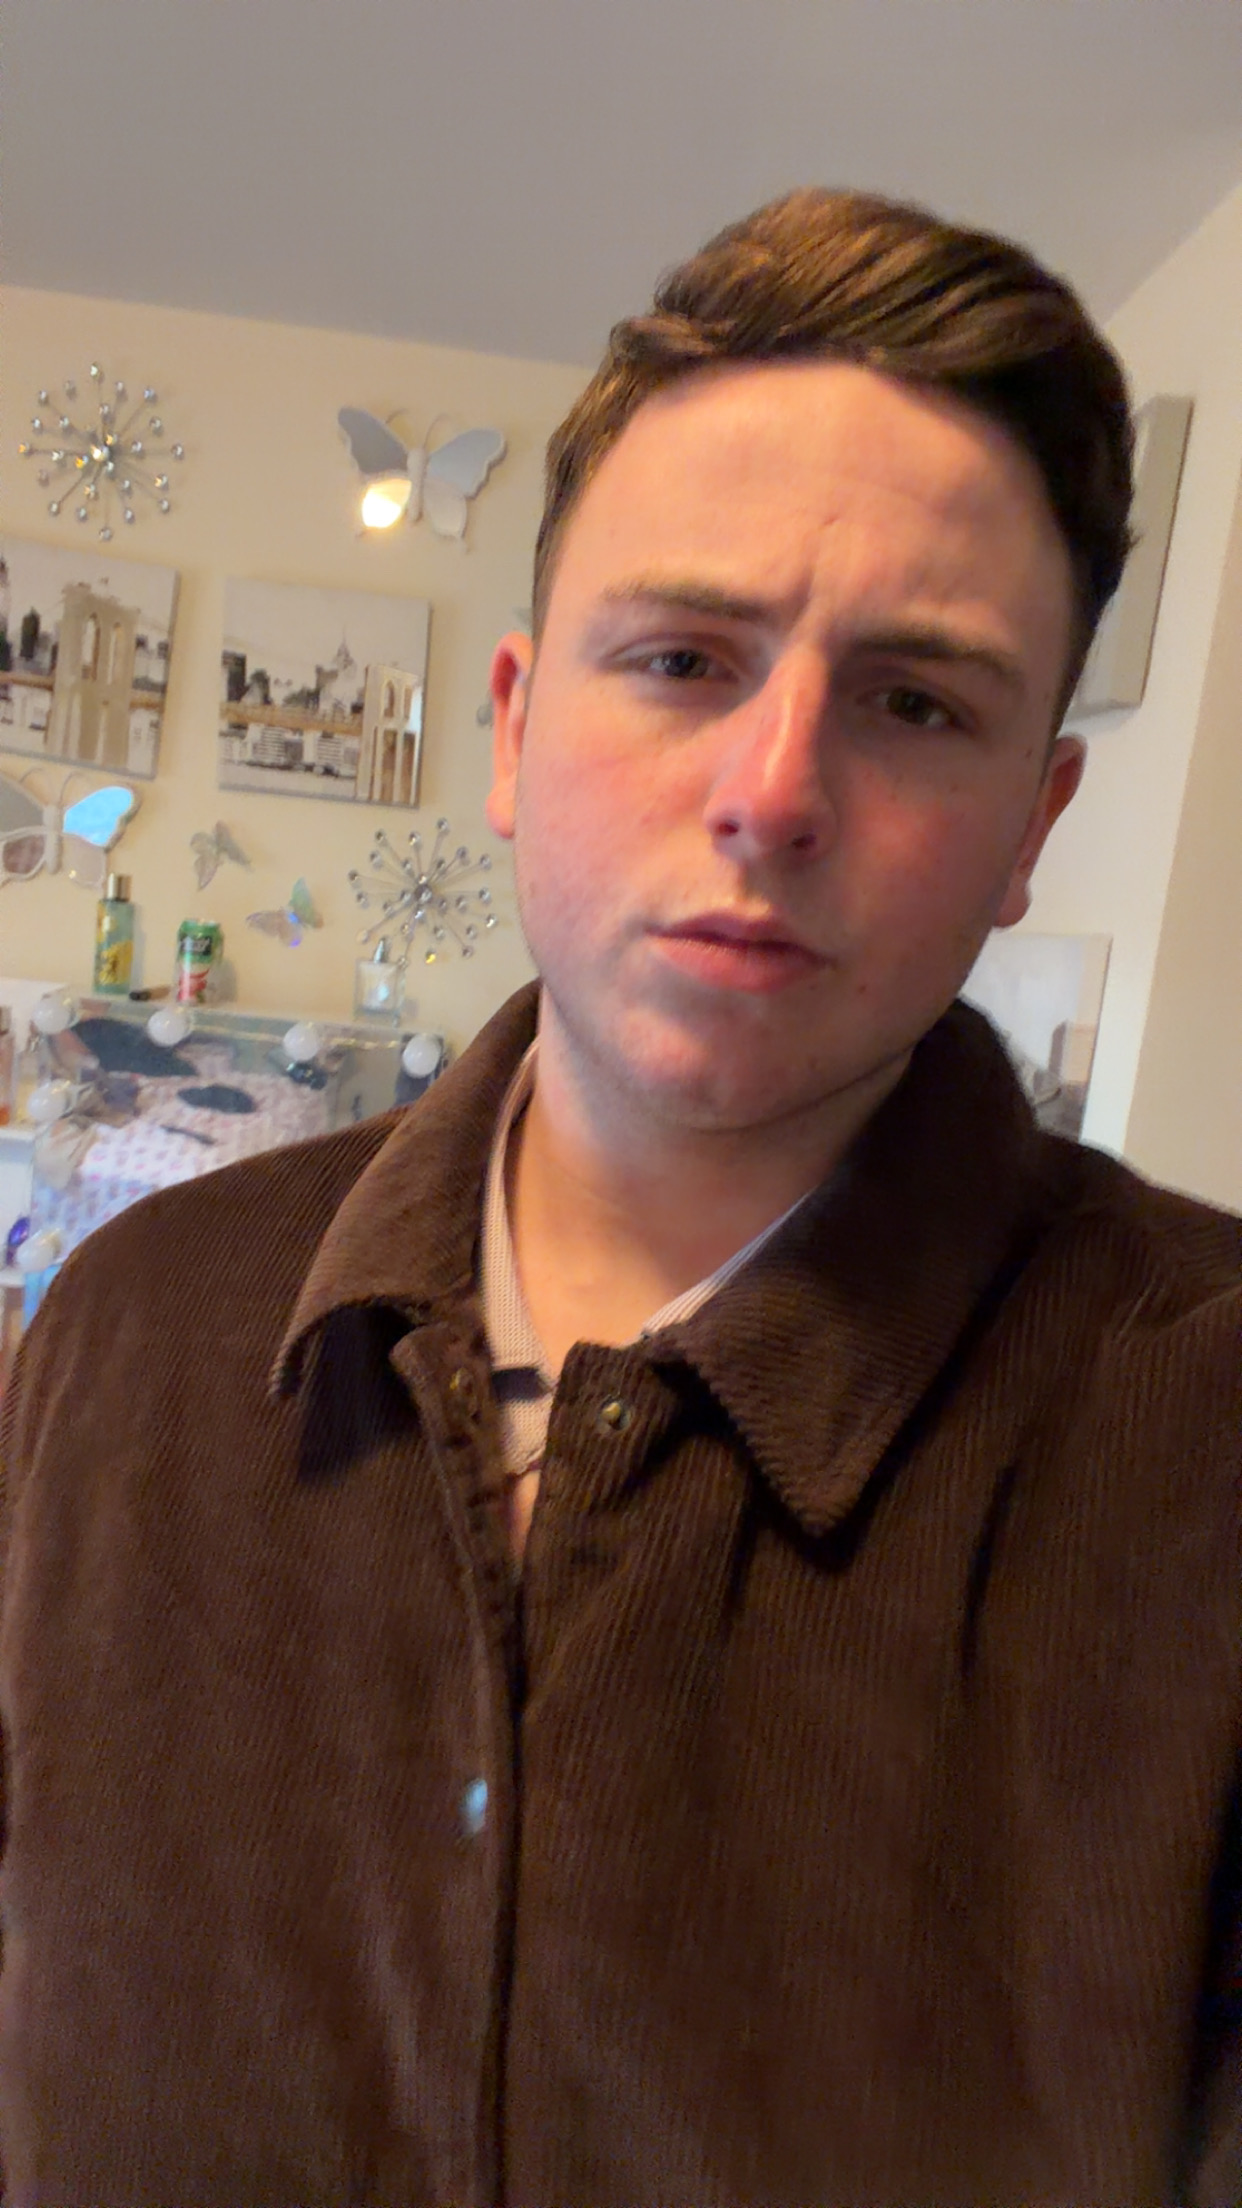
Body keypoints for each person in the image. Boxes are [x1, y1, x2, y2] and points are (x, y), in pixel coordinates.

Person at [1, 189, 1238, 2206]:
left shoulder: (1205, 1438)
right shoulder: (126, 1333)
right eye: (679, 659)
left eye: (916, 702)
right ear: (512, 731)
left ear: (1034, 821)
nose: (772, 792)